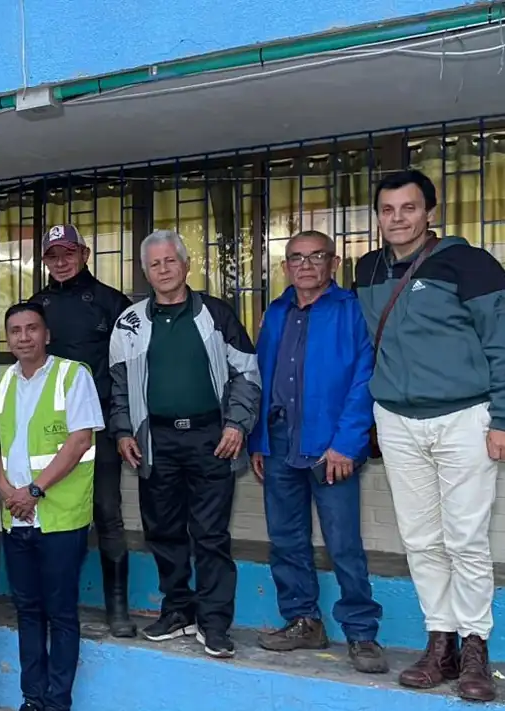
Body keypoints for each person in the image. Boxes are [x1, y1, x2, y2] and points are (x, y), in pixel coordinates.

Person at [354, 169, 505, 702]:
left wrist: (502, 419)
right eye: (388, 210)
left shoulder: (471, 264)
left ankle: (474, 651)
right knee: (419, 538)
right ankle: (438, 642)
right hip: (396, 420)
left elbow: (500, 342)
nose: (398, 219)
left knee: (465, 538)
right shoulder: (367, 268)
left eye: (409, 208)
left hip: (465, 417)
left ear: (430, 212)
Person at [109, 230, 260, 659]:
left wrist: (237, 424)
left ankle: (214, 623)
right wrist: (123, 432)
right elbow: (119, 386)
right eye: (154, 264)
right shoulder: (130, 322)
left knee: (210, 535)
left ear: (185, 264)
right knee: (163, 530)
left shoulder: (216, 314)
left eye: (169, 261)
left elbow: (247, 374)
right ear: (146, 271)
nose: (162, 270)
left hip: (213, 438)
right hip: (155, 441)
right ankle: (178, 610)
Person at [247, 231, 386, 674]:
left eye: (315, 257)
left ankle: (362, 633)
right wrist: (258, 440)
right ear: (285, 266)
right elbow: (260, 378)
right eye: (296, 258)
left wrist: (348, 442)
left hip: (331, 446)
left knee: (343, 543)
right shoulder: (276, 311)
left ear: (333, 262)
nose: (305, 265)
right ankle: (303, 620)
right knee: (286, 540)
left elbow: (365, 378)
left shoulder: (351, 311)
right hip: (279, 442)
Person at [0, 302, 104, 711]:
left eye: (32, 329)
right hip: (16, 516)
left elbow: (79, 442)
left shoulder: (73, 376)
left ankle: (58, 701)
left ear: (47, 334)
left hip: (59, 516)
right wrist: (7, 491)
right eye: (16, 331)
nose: (24, 337)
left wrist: (33, 492)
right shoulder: (3, 381)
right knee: (27, 611)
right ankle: (32, 698)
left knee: (59, 613)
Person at [29, 224, 136, 637]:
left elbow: (129, 369)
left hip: (99, 427)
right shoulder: (35, 306)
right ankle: (53, 603)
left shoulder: (112, 303)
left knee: (107, 514)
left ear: (85, 253)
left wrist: (125, 425)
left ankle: (118, 609)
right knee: (49, 517)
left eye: (68, 253)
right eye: (52, 255)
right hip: (48, 433)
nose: (61, 261)